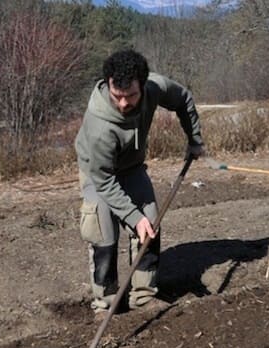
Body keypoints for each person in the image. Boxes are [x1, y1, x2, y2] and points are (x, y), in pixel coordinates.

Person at [74, 49, 205, 315]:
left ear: (143, 86)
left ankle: (143, 296)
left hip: (131, 167)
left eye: (131, 96)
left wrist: (194, 140)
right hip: (98, 173)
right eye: (117, 96)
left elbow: (184, 100)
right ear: (108, 84)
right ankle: (106, 303)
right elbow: (104, 181)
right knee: (102, 230)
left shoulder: (155, 87)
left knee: (151, 222)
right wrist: (132, 217)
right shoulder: (100, 124)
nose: (123, 104)